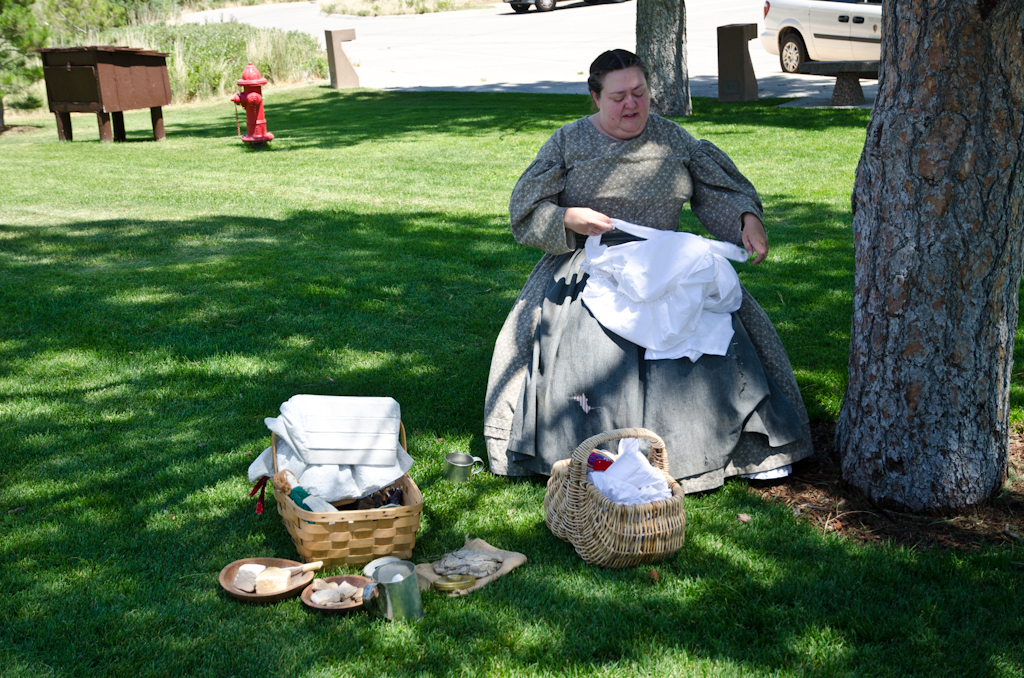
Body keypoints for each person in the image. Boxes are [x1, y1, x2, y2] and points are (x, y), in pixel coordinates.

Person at [483, 49, 812, 492]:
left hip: (669, 264)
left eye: (640, 93)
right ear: (594, 98)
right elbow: (525, 211)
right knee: (593, 356)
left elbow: (718, 193)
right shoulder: (566, 143)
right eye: (618, 96)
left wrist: (745, 220)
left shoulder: (674, 141)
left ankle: (746, 449)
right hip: (590, 264)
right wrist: (568, 219)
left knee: (714, 344)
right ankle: (591, 453)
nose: (632, 105)